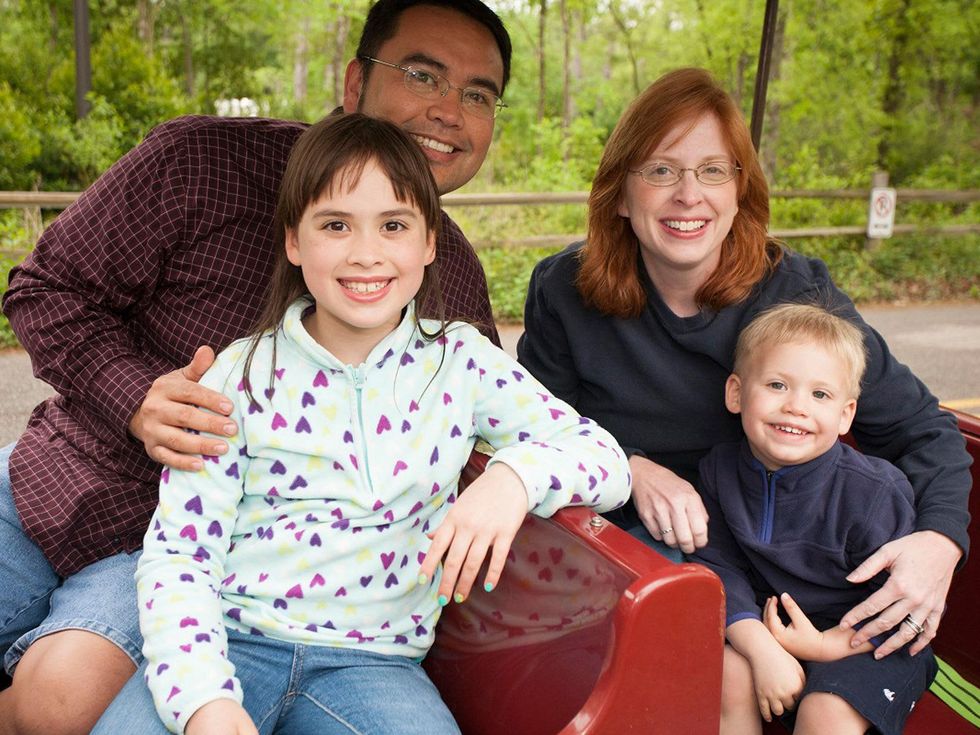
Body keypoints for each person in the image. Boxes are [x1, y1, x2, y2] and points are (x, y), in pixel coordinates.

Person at [0, 2, 512, 732]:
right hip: (57, 477)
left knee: (61, 698)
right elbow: (45, 287)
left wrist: (523, 475)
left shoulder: (448, 277)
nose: (448, 111)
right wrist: (136, 396)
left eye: (478, 94)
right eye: (423, 74)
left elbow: (499, 426)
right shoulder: (199, 162)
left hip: (193, 556)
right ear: (354, 80)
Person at [91, 112, 629, 735]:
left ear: (430, 244)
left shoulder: (460, 362)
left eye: (394, 225)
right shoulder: (241, 375)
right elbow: (181, 552)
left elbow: (604, 458)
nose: (366, 253)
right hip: (232, 641)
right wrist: (203, 699)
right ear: (294, 241)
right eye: (336, 225)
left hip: (374, 667)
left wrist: (513, 479)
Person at [518, 68, 971, 663]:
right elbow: (532, 425)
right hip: (631, 551)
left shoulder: (796, 293)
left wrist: (939, 541)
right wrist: (629, 467)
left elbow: (921, 428)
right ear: (621, 195)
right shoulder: (565, 290)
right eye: (660, 170)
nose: (688, 194)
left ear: (740, 191)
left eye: (712, 170)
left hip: (785, 564)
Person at [690, 303, 937, 735]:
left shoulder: (873, 493)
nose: (796, 407)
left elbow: (904, 603)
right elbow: (718, 567)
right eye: (777, 385)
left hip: (865, 641)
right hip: (768, 628)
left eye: (819, 395)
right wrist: (761, 647)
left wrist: (824, 645)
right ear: (736, 393)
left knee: (827, 709)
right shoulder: (717, 471)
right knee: (727, 673)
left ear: (845, 416)